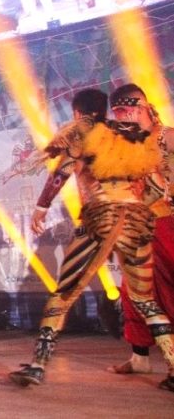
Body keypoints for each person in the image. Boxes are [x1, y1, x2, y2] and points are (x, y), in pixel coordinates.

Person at [9, 88, 174, 391]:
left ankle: (37, 366)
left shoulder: (83, 131)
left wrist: (42, 207)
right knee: (144, 299)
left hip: (101, 217)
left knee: (63, 294)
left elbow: (62, 171)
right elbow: (153, 181)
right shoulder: (132, 134)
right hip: (136, 218)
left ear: (77, 113)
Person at [103, 85, 174, 382]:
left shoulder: (166, 136)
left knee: (168, 290)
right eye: (117, 112)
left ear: (141, 106)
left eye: (125, 110)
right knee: (133, 293)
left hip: (167, 223)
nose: (122, 117)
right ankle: (140, 358)